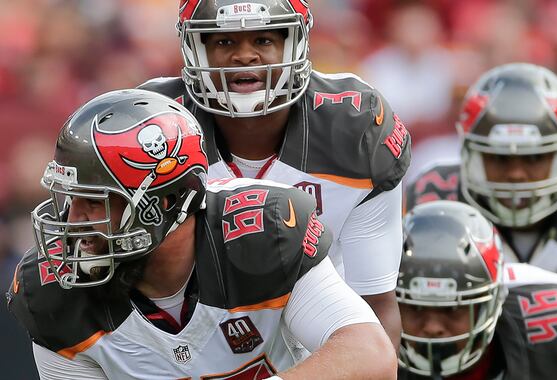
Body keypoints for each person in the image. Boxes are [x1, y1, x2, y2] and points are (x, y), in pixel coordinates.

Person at [6, 89, 398, 380]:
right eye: (70, 200)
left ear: (166, 202)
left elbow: (370, 353)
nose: (73, 221)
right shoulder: (53, 292)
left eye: (94, 203)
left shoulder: (261, 232)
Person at [139, 0, 411, 349]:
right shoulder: (154, 129)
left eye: (264, 40)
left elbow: (374, 306)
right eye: (224, 42)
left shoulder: (355, 129)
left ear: (294, 42)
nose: (245, 56)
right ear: (195, 48)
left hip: (318, 334)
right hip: (186, 340)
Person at [404, 63, 557, 297]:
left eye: (534, 157)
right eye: (499, 157)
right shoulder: (436, 196)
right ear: (470, 154)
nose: (516, 173)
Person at [396, 200, 557, 379]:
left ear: (492, 303)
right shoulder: (368, 340)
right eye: (417, 309)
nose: (432, 327)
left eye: (450, 309)